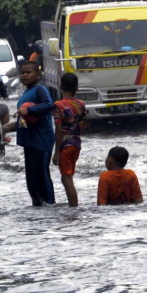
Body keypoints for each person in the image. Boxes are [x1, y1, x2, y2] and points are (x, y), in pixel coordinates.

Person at [8, 61, 56, 206]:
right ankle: (37, 206)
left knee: (42, 174)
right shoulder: (25, 94)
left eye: (28, 72)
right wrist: (8, 127)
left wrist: (29, 110)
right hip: (29, 141)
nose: (24, 75)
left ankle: (51, 205)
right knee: (31, 177)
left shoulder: (39, 89)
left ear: (38, 75)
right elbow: (25, 119)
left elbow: (49, 104)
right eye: (22, 72)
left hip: (42, 140)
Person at [52, 73, 86, 207]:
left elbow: (59, 129)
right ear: (77, 88)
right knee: (67, 176)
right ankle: (73, 206)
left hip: (65, 146)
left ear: (60, 87)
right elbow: (82, 124)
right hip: (77, 144)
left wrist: (56, 153)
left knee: (67, 178)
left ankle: (74, 208)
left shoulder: (58, 105)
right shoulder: (81, 104)